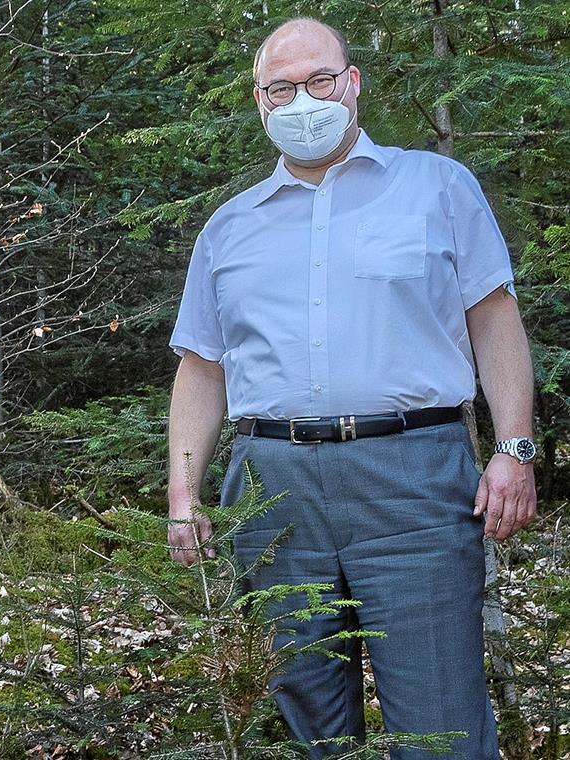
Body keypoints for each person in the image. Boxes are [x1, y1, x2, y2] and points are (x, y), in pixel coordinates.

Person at [167, 17, 536, 759]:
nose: (303, 98)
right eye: (282, 86)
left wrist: (515, 449)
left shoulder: (437, 186)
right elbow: (202, 368)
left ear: (353, 83)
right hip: (271, 490)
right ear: (260, 100)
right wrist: (184, 497)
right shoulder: (228, 229)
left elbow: (495, 320)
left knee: (441, 721)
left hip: (414, 479)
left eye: (319, 80)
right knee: (308, 722)